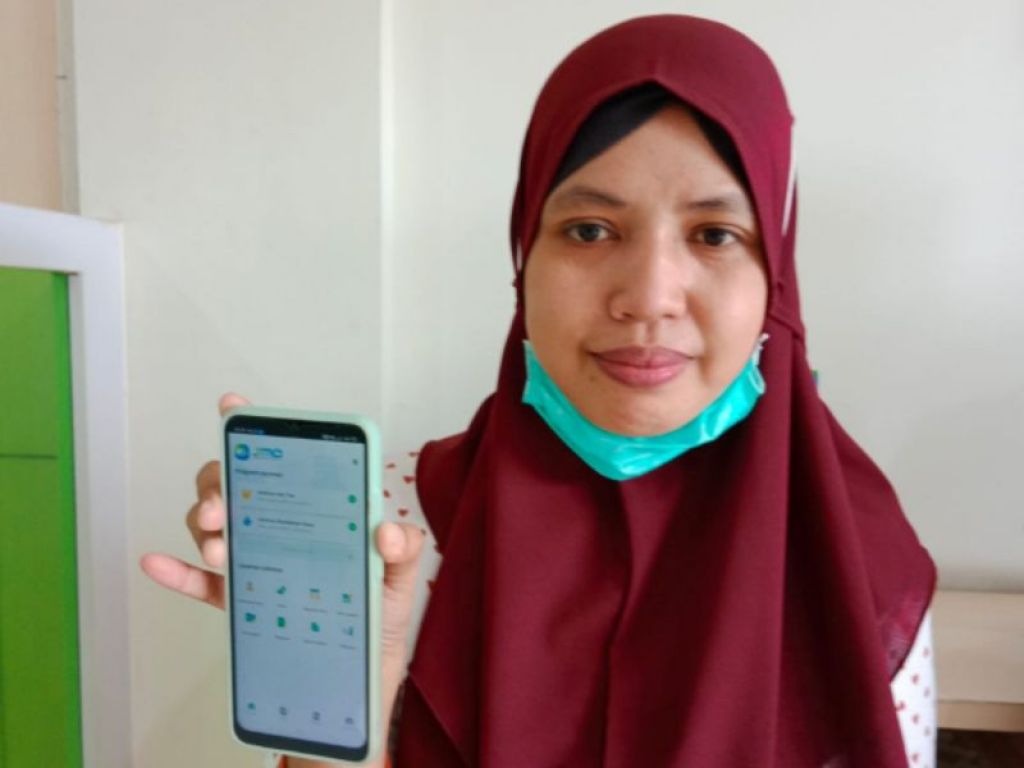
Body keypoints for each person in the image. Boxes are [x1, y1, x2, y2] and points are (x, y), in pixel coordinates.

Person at [142, 14, 938, 767]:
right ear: (526, 255)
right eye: (590, 230)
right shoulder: (394, 525)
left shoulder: (857, 566)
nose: (649, 296)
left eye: (715, 235)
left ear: (777, 277)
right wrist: (337, 691)